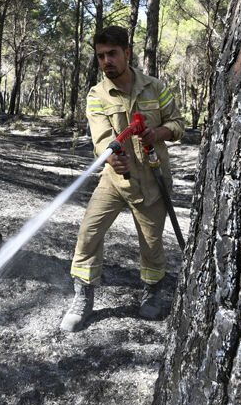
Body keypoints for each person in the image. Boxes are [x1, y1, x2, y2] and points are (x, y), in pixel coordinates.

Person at [60, 26, 185, 332]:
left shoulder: (156, 88)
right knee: (88, 233)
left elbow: (179, 123)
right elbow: (101, 138)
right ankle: (83, 297)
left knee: (152, 244)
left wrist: (158, 132)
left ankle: (153, 292)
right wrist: (111, 156)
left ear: (127, 53)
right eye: (100, 56)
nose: (106, 61)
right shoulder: (96, 94)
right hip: (114, 181)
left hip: (153, 181)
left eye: (112, 54)